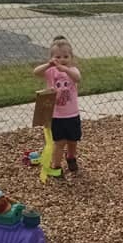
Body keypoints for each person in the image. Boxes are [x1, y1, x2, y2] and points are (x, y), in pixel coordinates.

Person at [33, 37, 82, 175]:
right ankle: (56, 166)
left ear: (71, 57)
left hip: (72, 114)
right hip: (56, 115)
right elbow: (36, 72)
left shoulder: (72, 71)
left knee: (73, 140)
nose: (62, 59)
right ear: (52, 58)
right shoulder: (50, 72)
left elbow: (77, 78)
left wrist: (65, 69)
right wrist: (49, 65)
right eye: (58, 57)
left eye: (66, 56)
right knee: (59, 142)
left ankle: (71, 157)